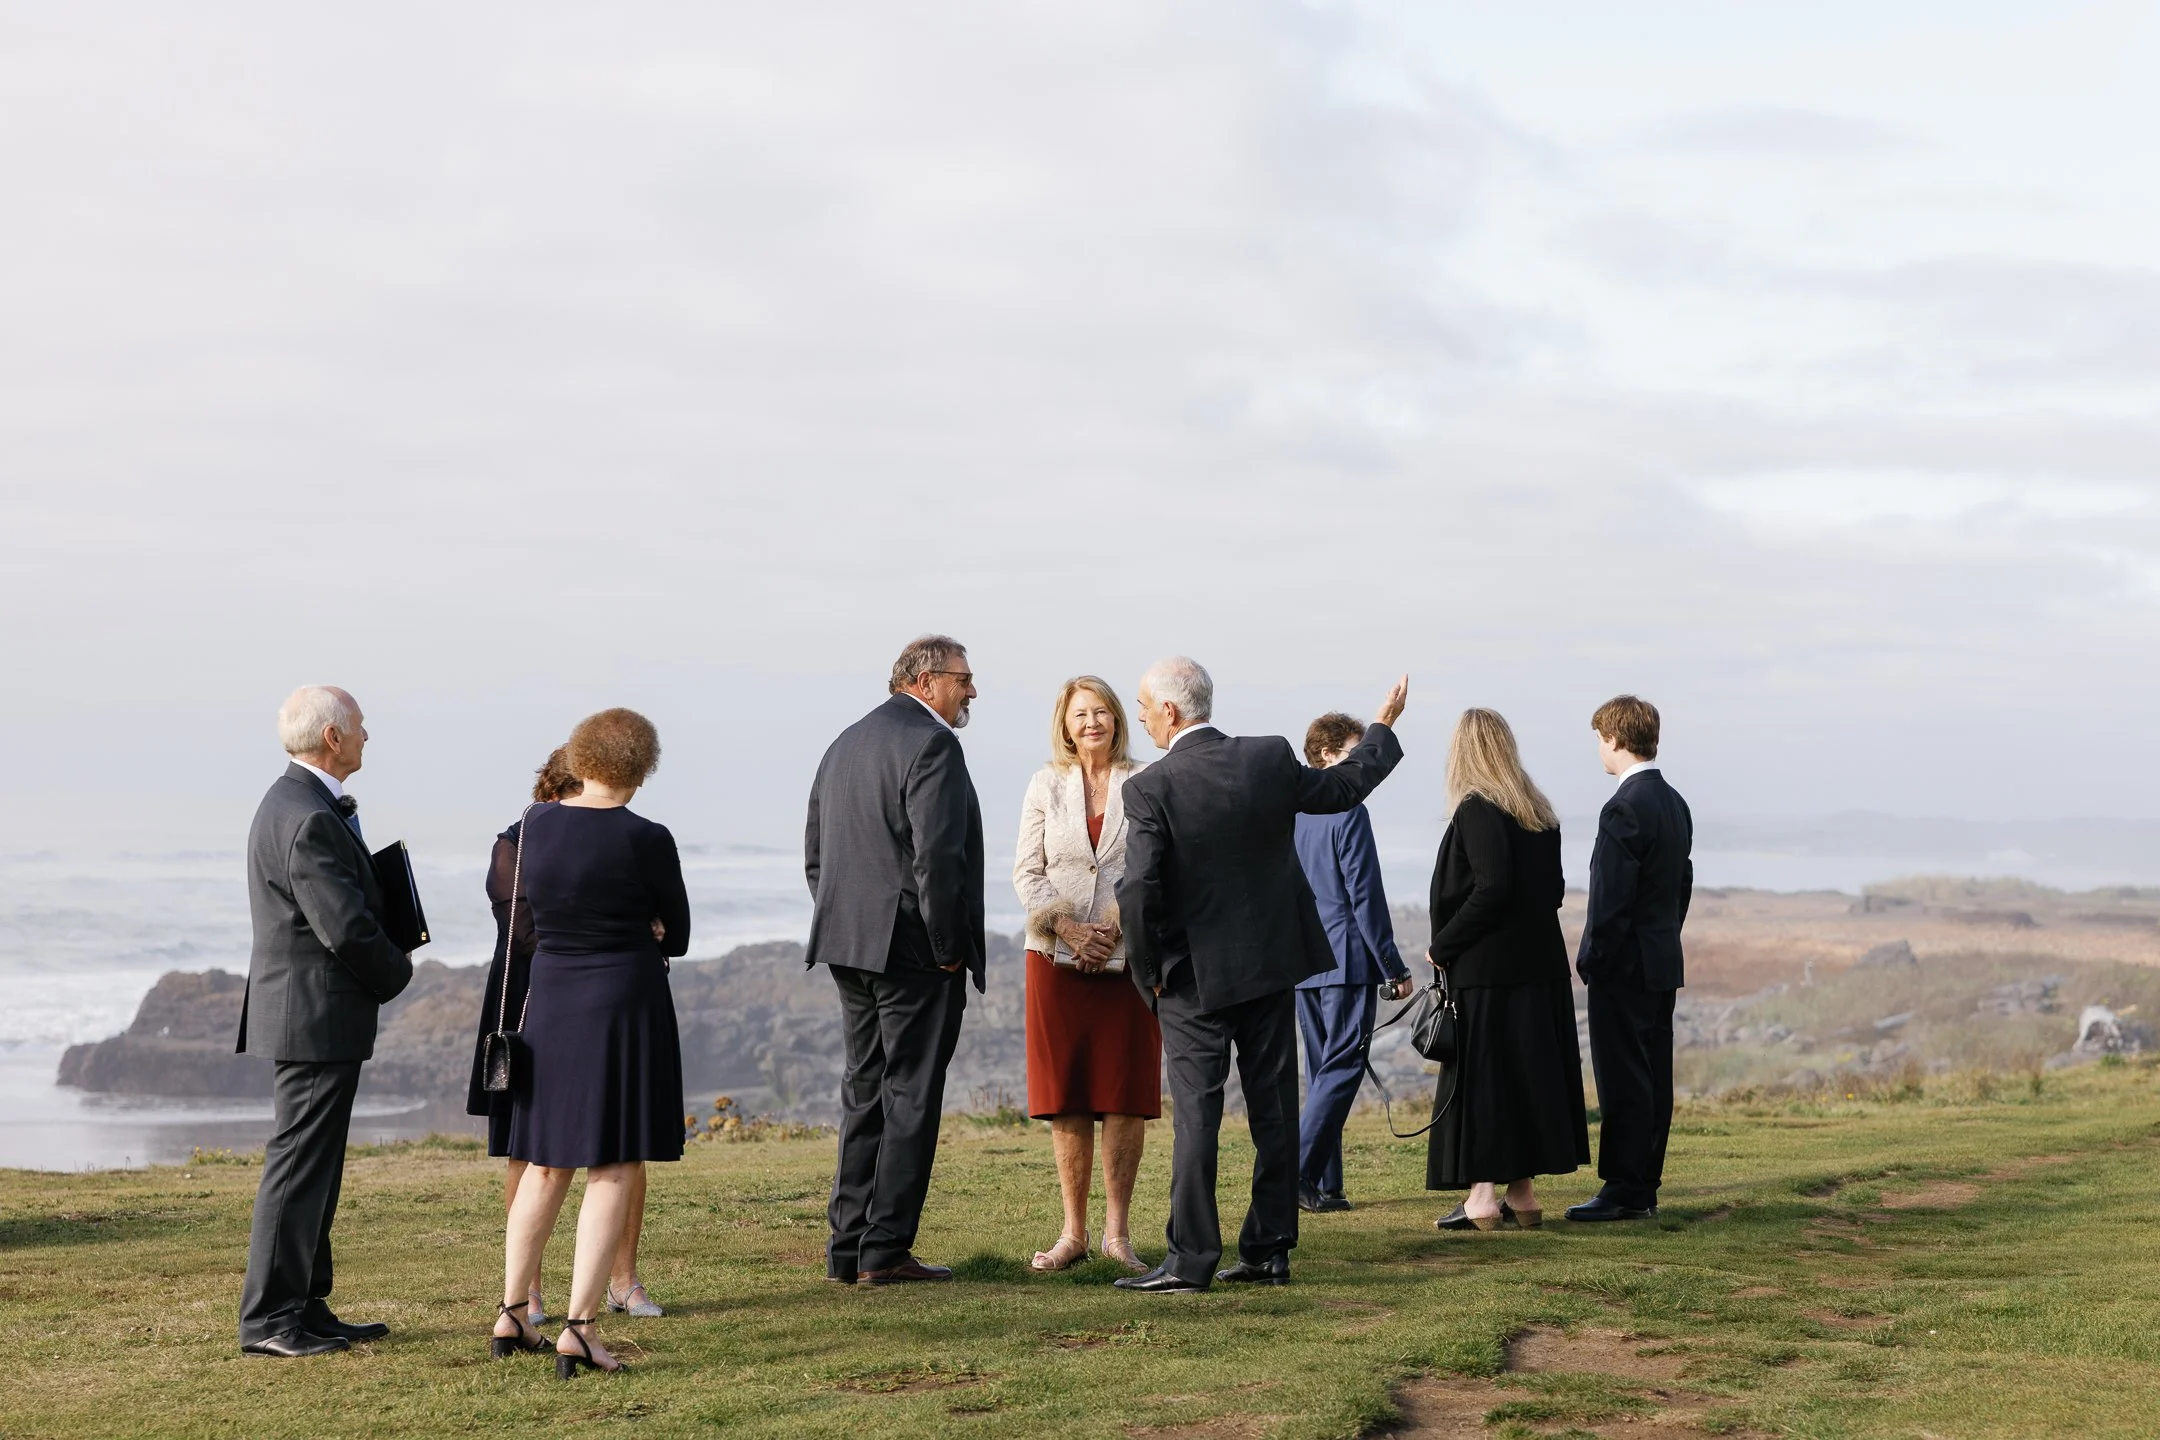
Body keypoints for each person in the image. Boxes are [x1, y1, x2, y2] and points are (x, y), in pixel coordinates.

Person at [1113, 657, 1407, 1295]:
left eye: (1142, 704)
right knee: (1275, 1112)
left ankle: (1191, 1261)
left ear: (1169, 710)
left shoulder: (1150, 787)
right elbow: (1343, 788)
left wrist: (1146, 972)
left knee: (1199, 1118)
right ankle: (1269, 1251)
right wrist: (1381, 726)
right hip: (1273, 970)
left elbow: (1138, 890)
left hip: (1190, 979)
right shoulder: (1268, 758)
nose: (1138, 715)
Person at [492, 708, 689, 1377]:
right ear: (641, 768)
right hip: (622, 1002)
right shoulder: (647, 838)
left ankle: (513, 1311)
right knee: (613, 1165)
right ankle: (579, 1326)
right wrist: (648, 927)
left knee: (543, 1163)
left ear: (579, 759)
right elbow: (680, 933)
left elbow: (530, 920)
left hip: (552, 1001)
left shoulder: (535, 824)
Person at [235, 686, 414, 1357]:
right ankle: (269, 1322)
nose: (369, 736)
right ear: (333, 737)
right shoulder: (305, 814)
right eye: (362, 726)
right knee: (298, 1164)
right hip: (312, 1014)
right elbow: (342, 926)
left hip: (313, 1012)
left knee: (318, 1164)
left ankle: (307, 1304)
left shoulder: (301, 802)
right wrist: (400, 970)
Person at [804, 635, 986, 1286]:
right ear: (927, 679)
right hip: (912, 950)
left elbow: (816, 857)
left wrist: (846, 921)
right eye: (964, 679)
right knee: (910, 1094)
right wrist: (944, 950)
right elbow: (938, 859)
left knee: (865, 1089)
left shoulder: (844, 743)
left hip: (848, 943)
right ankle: (884, 1252)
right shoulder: (933, 743)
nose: (971, 691)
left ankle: (847, 1249)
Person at [1013, 675, 1160, 1273]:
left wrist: (1115, 929)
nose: (1091, 722)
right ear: (1065, 724)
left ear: (1118, 719)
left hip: (1128, 959)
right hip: (1055, 960)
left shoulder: (1147, 780)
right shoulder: (1044, 784)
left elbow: (1157, 862)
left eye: (1101, 712)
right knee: (1067, 1097)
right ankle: (1072, 1233)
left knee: (1125, 1096)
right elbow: (1027, 871)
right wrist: (1070, 930)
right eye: (1080, 714)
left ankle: (1117, 1234)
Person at [1422, 708, 1590, 1230]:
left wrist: (1443, 945)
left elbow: (1491, 888)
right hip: (1540, 969)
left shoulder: (1477, 809)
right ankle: (1523, 1195)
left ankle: (1481, 1199)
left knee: (1486, 1082)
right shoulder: (1538, 813)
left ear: (1463, 753)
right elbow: (1554, 893)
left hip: (1487, 972)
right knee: (1528, 1078)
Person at [1567, 695, 1693, 1224]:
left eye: (1599, 737)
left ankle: (1622, 1188)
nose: (1598, 747)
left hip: (1623, 965)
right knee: (1653, 1075)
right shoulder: (1675, 802)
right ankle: (1645, 1184)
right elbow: (1681, 884)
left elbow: (1610, 897)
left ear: (1615, 739)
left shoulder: (1623, 806)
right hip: (1662, 958)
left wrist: (1591, 957)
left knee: (1621, 1076)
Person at [1291, 713, 1414, 1215]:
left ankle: (1326, 1184)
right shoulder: (1349, 812)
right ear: (1325, 755)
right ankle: (1297, 1174)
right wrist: (1393, 965)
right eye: (1352, 753)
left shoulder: (1292, 813)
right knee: (1342, 1067)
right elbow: (1365, 896)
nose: (1362, 764)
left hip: (1302, 961)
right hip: (1344, 957)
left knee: (1322, 1070)